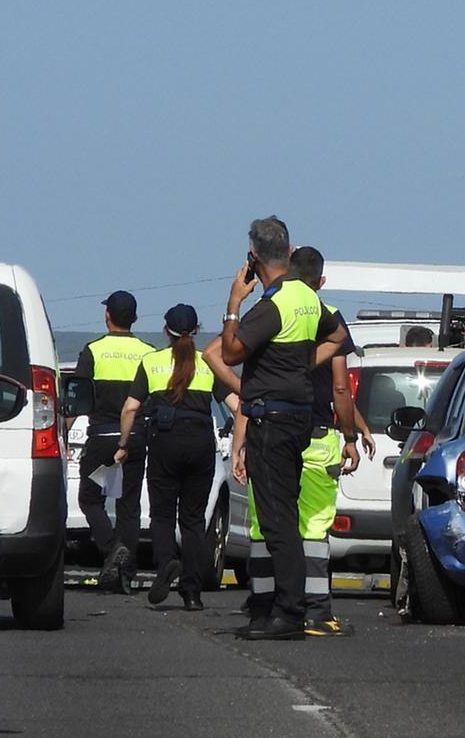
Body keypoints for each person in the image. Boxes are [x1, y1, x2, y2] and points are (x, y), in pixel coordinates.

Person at [210, 217, 347, 640]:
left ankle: (287, 613)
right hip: (299, 418)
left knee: (276, 523)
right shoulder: (307, 296)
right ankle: (286, 608)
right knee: (285, 517)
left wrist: (234, 302)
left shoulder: (271, 307)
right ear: (288, 253)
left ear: (254, 258)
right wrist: (302, 364)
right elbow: (338, 334)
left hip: (271, 419)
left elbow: (229, 352)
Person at [115, 304, 235, 611]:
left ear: (166, 331)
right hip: (200, 443)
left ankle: (167, 563)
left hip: (164, 442)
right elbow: (237, 404)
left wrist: (124, 443)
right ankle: (192, 593)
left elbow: (130, 408)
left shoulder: (152, 362)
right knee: (194, 520)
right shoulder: (209, 363)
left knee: (163, 515)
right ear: (196, 331)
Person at [70, 290, 154, 592]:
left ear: (108, 317)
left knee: (91, 498)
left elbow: (76, 397)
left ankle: (112, 547)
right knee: (128, 504)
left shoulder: (93, 350)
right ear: (134, 319)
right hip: (135, 438)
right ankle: (125, 574)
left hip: (103, 439)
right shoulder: (148, 352)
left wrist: (64, 431)